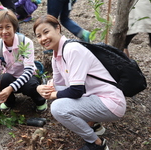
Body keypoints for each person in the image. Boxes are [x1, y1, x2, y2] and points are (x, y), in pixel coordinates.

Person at [33, 15, 126, 150]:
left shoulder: (72, 50)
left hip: (111, 102)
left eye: (46, 32)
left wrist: (52, 95)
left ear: (58, 28)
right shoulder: (56, 55)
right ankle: (94, 125)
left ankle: (97, 143)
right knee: (59, 96)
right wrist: (41, 88)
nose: (43, 38)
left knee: (57, 108)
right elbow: (57, 84)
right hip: (95, 96)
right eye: (39, 36)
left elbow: (76, 91)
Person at [0, 9, 47, 117]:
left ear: (14, 27)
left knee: (31, 85)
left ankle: (40, 101)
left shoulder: (25, 42)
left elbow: (28, 71)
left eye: (8, 27)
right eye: (0, 27)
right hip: (11, 77)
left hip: (29, 77)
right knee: (2, 79)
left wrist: (10, 88)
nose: (4, 31)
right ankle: (9, 102)